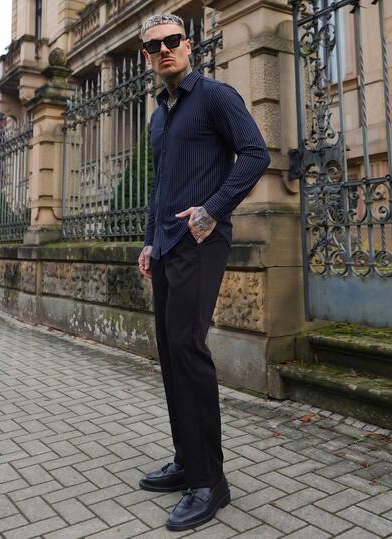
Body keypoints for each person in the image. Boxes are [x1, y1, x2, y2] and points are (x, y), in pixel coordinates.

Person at [137, 13, 270, 531]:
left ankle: (210, 482)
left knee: (188, 348)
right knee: (171, 352)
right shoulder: (158, 117)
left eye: (172, 40)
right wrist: (149, 240)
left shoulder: (216, 96)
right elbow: (161, 184)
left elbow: (255, 154)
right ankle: (187, 461)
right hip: (167, 247)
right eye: (155, 46)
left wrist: (212, 209)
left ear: (188, 45)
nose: (165, 50)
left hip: (202, 241)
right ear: (147, 57)